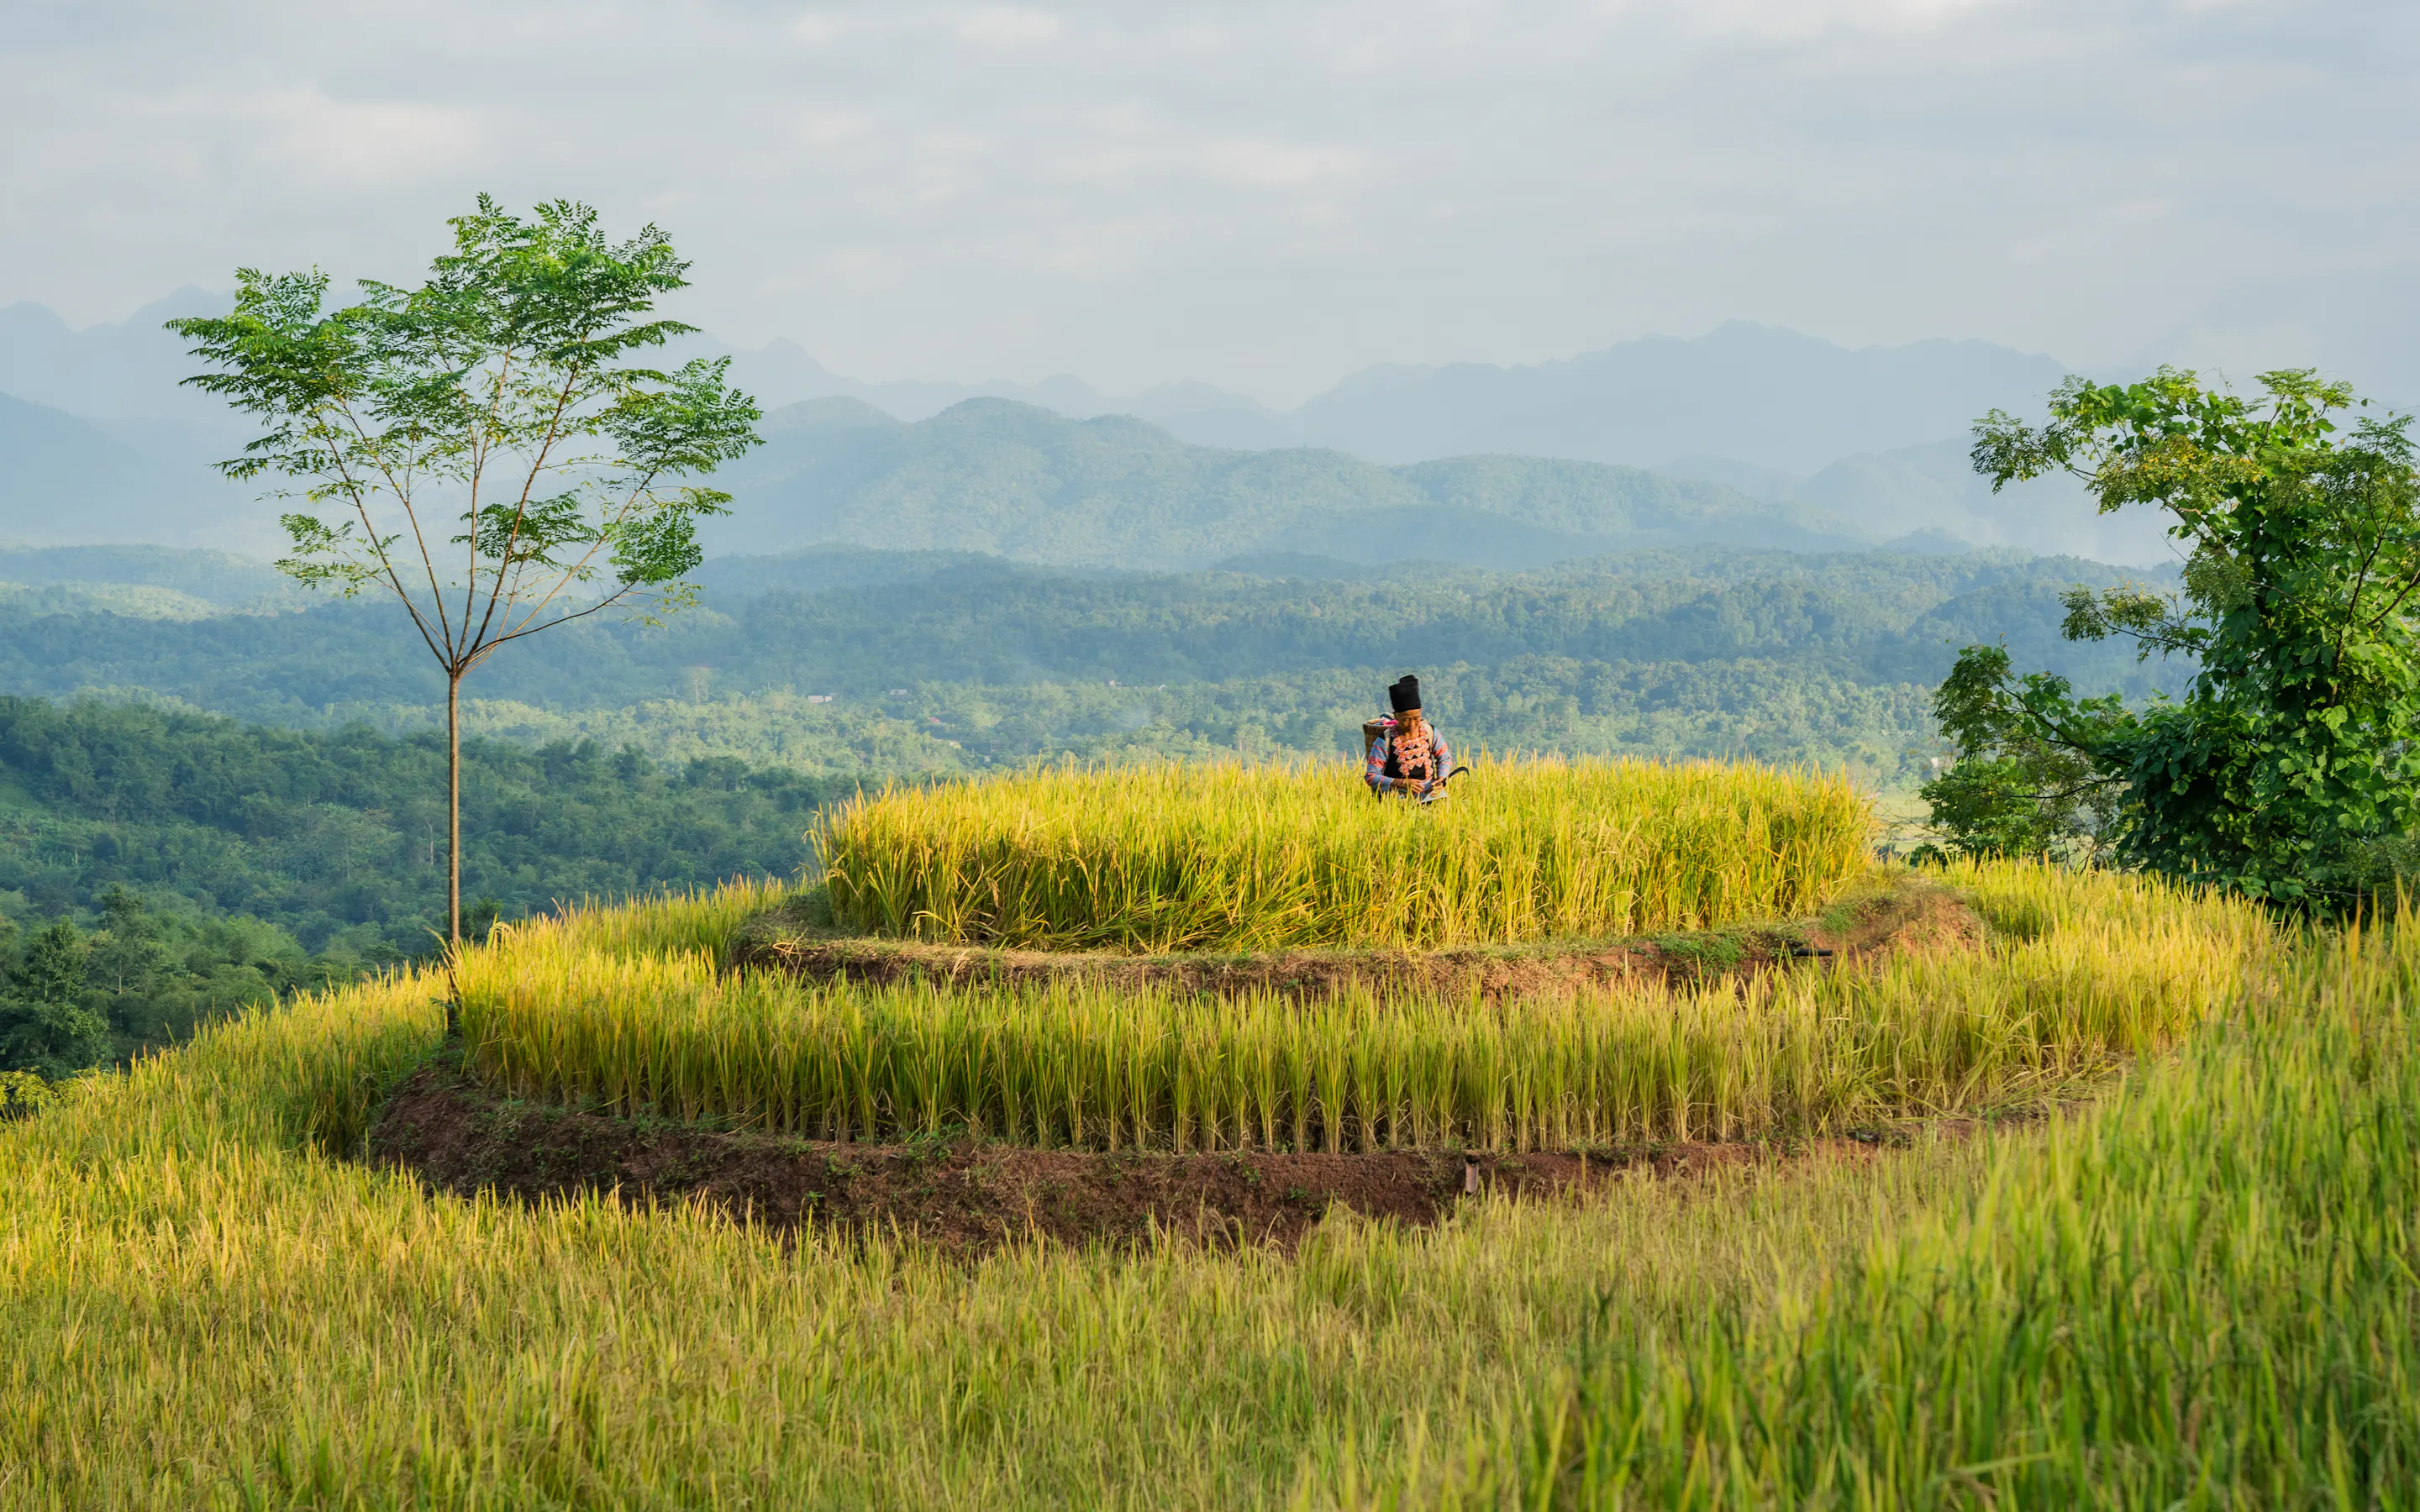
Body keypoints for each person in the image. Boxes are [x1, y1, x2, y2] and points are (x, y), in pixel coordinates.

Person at [1365, 675, 1453, 799]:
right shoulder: (1384, 741)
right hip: (1396, 803)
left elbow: (1444, 758)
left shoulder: (1430, 732)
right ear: (1396, 717)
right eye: (1406, 720)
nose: (1412, 724)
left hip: (1431, 797)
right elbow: (1371, 776)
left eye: (1416, 718)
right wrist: (1400, 783)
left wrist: (1441, 779)